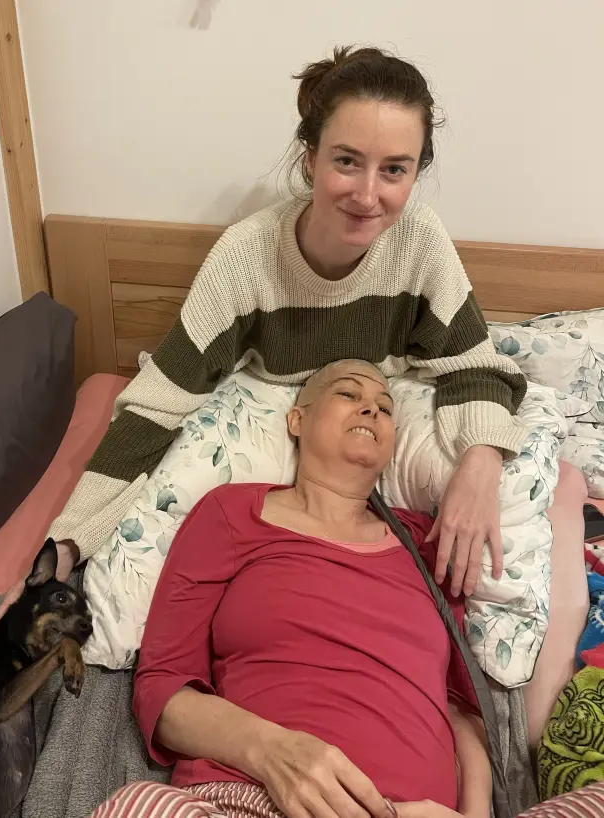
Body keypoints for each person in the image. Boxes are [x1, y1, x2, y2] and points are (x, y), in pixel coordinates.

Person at [47, 45, 587, 743]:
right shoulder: (246, 257)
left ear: (416, 173)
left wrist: (480, 467)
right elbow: (157, 404)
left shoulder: (420, 242)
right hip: (276, 409)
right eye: (347, 161)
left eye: (394, 170)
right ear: (309, 159)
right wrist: (67, 543)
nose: (367, 194)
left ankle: (507, 698)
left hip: (385, 406)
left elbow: (476, 365)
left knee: (523, 481)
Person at [92, 359, 492, 818]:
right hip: (253, 798)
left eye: (385, 407)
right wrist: (273, 751)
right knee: (136, 807)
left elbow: (461, 707)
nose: (371, 410)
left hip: (414, 812)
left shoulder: (426, 543)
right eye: (348, 394)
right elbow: (162, 689)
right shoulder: (232, 514)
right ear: (297, 419)